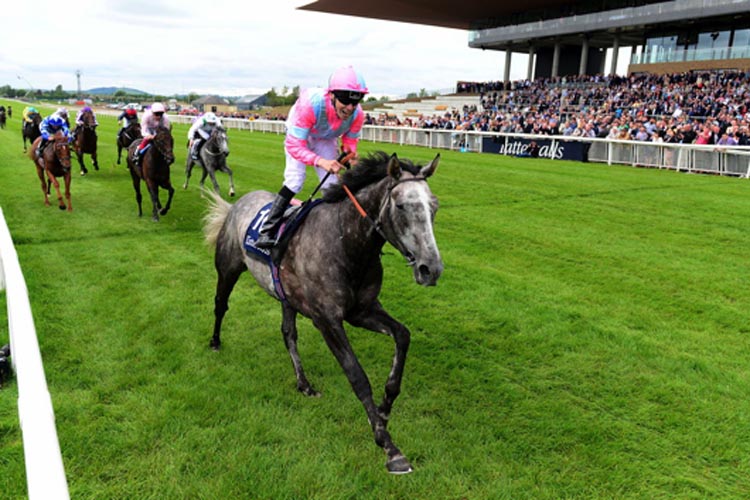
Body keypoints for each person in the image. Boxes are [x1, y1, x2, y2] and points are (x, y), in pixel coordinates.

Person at [255, 65, 368, 249]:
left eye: (355, 103)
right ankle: (267, 230)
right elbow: (294, 146)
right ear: (332, 95)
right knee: (295, 180)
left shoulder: (357, 115)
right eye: (345, 102)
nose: (349, 108)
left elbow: (349, 141)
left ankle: (333, 229)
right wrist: (321, 161)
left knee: (331, 185)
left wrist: (350, 155)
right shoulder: (310, 104)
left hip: (324, 136)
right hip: (300, 133)